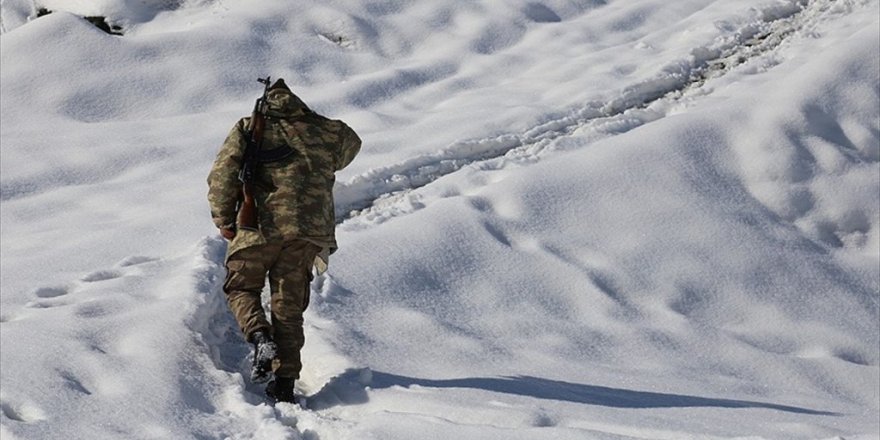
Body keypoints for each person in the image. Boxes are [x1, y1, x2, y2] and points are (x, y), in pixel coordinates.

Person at [207, 78, 361, 402]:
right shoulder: (324, 131)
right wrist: (311, 127)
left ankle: (259, 334)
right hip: (307, 232)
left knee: (241, 287)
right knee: (288, 309)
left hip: (259, 227)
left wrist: (224, 220)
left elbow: (222, 174)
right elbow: (352, 143)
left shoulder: (248, 127)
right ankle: (285, 384)